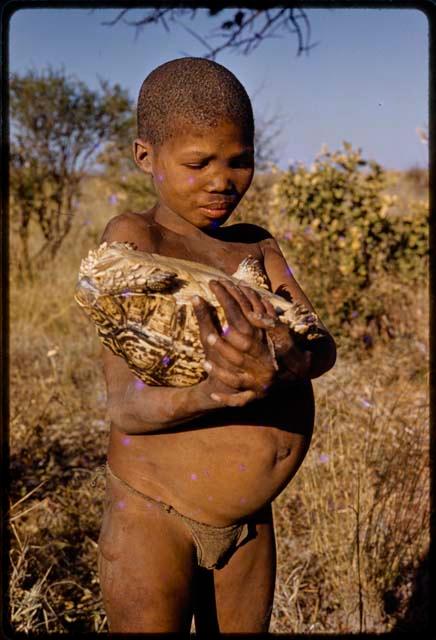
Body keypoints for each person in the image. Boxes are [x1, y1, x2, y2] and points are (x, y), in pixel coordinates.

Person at [97, 57, 336, 636]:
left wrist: (283, 355)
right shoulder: (136, 242)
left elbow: (321, 347)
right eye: (198, 162)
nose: (222, 180)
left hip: (250, 522)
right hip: (155, 515)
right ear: (146, 157)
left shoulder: (256, 247)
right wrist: (218, 389)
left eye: (240, 161)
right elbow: (126, 407)